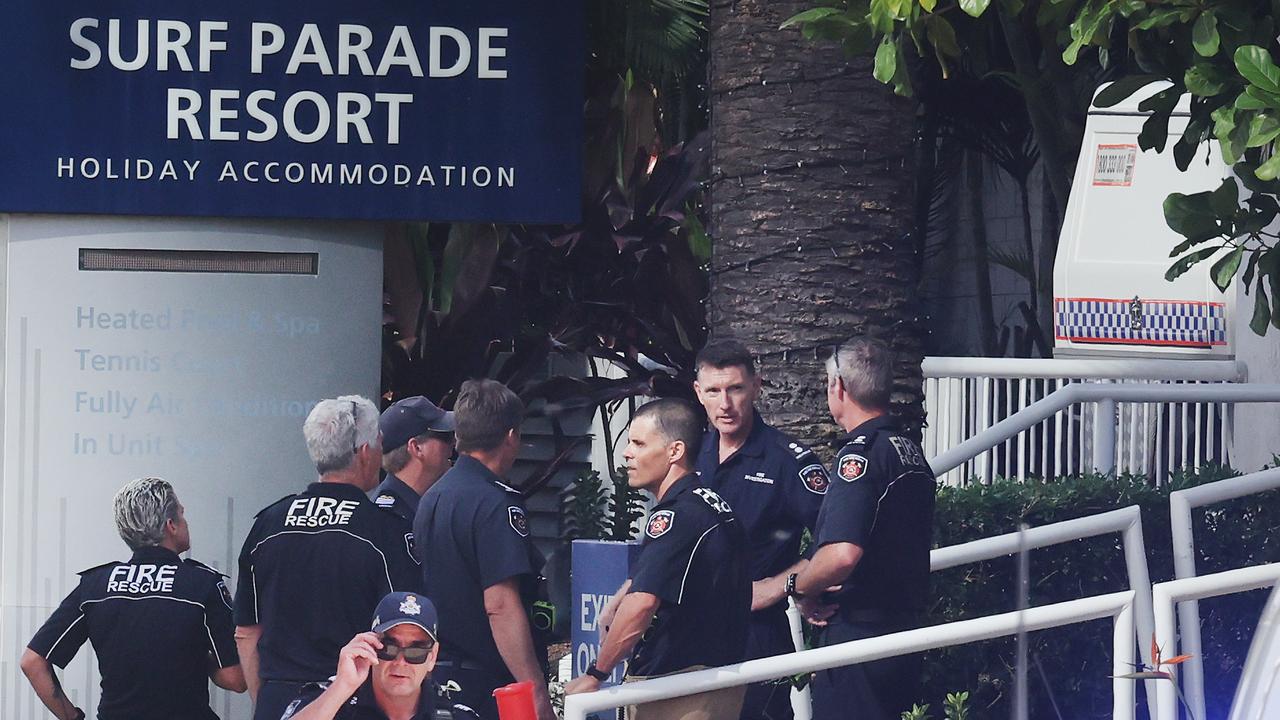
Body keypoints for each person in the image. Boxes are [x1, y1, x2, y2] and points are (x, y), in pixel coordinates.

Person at [565, 398, 751, 720]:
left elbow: (642, 604)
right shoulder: (712, 505)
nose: (627, 452)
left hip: (680, 689)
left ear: (674, 451)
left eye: (638, 443)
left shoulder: (676, 517)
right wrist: (621, 598)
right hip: (716, 682)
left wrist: (596, 674)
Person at [236, 395, 419, 720]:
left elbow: (247, 631)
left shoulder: (268, 524)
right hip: (355, 699)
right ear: (365, 453)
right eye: (378, 441)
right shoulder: (383, 530)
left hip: (279, 701)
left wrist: (265, 702)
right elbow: (404, 629)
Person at [788, 338, 936, 720]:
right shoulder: (909, 450)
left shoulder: (861, 455)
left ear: (838, 388)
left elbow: (842, 553)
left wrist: (802, 589)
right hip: (903, 630)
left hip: (860, 635)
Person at [20, 477, 245, 720]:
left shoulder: (94, 586)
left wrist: (73, 717)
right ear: (171, 525)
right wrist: (198, 656)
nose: (185, 521)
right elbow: (236, 679)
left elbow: (33, 663)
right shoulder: (203, 584)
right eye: (182, 514)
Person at [692, 339, 830, 720]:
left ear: (756, 386)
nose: (725, 403)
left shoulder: (787, 460)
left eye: (735, 389)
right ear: (698, 393)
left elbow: (837, 540)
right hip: (690, 633)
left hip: (755, 634)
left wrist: (781, 586)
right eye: (714, 391)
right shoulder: (688, 453)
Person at [413, 379, 554, 720]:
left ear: (459, 437)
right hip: (489, 685)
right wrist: (535, 691)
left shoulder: (433, 496)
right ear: (510, 437)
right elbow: (501, 606)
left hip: (439, 677)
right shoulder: (495, 503)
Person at [280, 591, 442, 720]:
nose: (400, 662)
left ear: (432, 657)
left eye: (416, 652)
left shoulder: (453, 715)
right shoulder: (330, 704)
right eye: (389, 648)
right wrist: (343, 687)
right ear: (370, 646)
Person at [374, 396, 456, 524]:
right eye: (445, 436)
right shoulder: (387, 517)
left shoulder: (433, 501)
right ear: (416, 447)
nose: (454, 442)